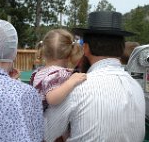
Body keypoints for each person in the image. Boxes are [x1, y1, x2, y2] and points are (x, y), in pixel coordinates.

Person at [44, 11, 145, 142]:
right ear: (120, 48)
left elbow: (47, 133)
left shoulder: (77, 88)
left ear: (85, 48)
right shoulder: (136, 87)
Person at [30, 29, 87, 111]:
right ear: (69, 53)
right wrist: (71, 82)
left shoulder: (39, 72)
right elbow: (52, 99)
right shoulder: (59, 74)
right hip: (49, 121)